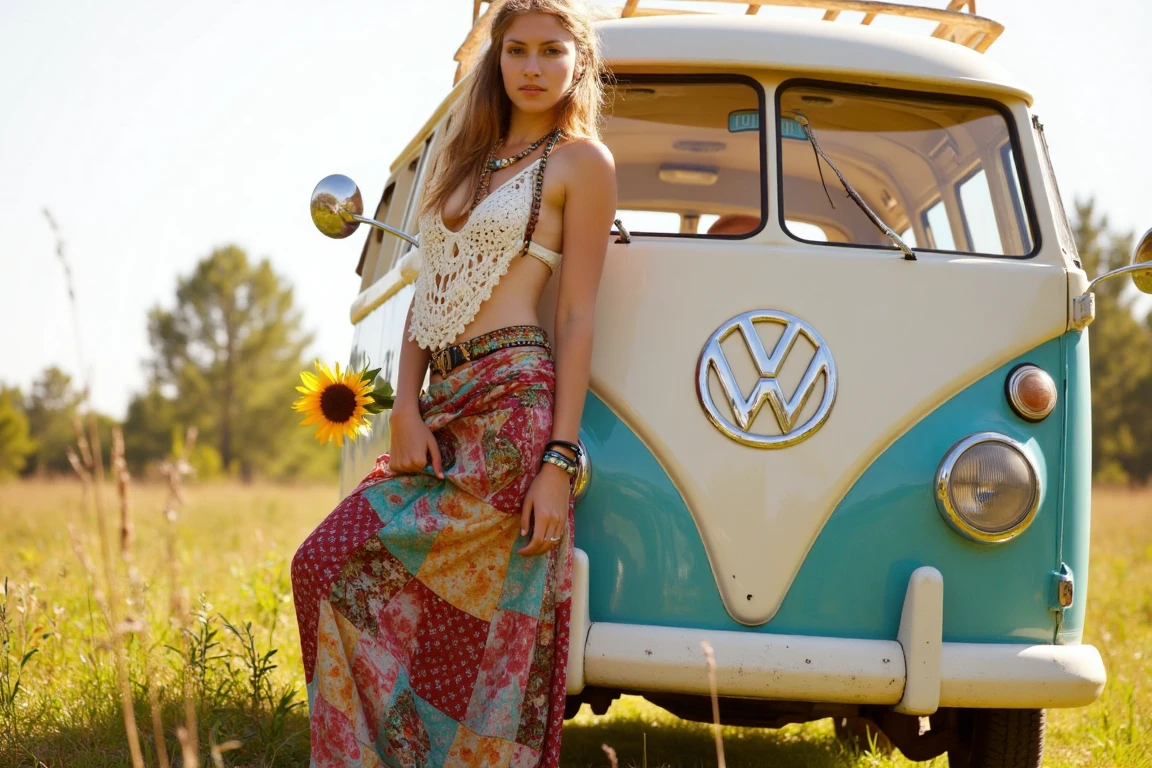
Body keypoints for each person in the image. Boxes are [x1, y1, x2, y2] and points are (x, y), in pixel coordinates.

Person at [290, 1, 616, 766]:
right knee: (324, 565)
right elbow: (426, 294)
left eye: (550, 52)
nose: (532, 68)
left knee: (480, 629)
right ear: (497, 60)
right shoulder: (462, 161)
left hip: (514, 409)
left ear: (578, 62)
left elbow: (576, 318)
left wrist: (557, 465)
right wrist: (405, 405)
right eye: (517, 51)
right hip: (443, 403)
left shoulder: (580, 164)